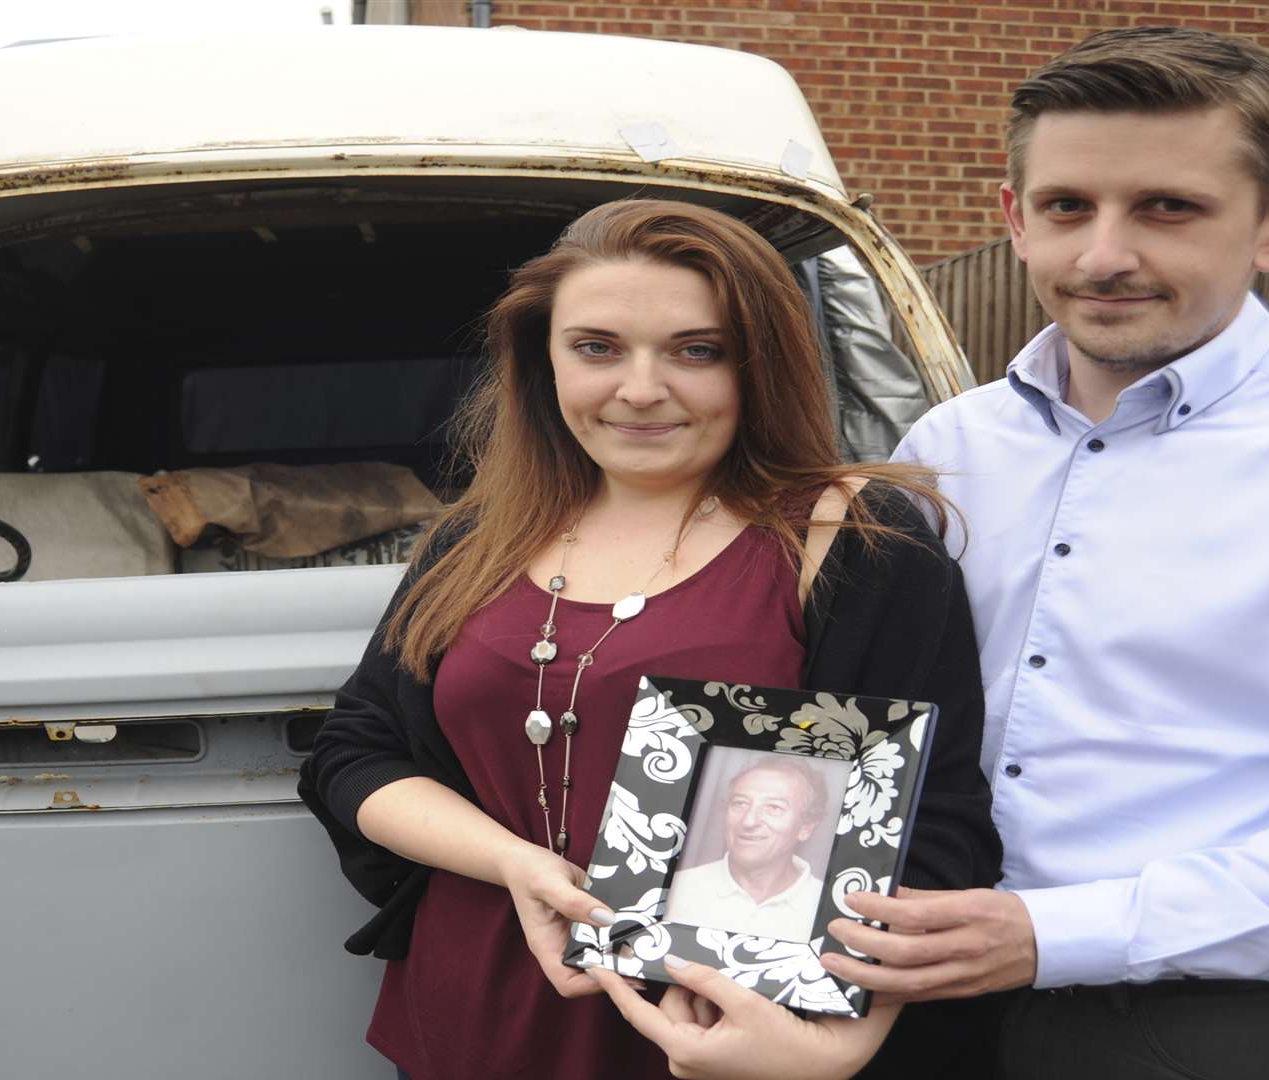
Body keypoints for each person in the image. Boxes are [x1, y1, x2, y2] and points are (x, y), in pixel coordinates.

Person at [298, 199, 1002, 1080]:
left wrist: (835, 1044)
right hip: (467, 1019)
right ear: (541, 359)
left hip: (721, 1038)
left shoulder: (846, 539)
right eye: (596, 348)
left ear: (763, 365)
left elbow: (927, 831)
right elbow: (354, 752)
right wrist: (516, 864)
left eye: (695, 350)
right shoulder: (472, 542)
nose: (638, 389)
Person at [819, 26, 1269, 1080]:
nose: (1104, 255)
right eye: (1067, 207)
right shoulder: (946, 450)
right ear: (1015, 220)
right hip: (919, 1003)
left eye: (1167, 207)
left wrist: (1059, 932)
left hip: (1218, 1025)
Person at [663, 756, 832, 942]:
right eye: (740, 803)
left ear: (806, 827)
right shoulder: (677, 890)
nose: (749, 821)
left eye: (774, 807)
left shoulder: (830, 910)